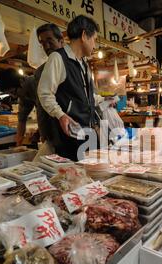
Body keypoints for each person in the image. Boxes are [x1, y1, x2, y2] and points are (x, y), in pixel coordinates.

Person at [37, 15, 102, 161]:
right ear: (84, 35)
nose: (95, 45)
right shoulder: (58, 58)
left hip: (88, 134)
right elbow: (45, 93)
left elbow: (86, 97)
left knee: (91, 177)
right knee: (74, 178)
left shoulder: (84, 64)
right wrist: (60, 115)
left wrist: (104, 100)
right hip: (70, 137)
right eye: (94, 39)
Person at [0, 24, 65, 147]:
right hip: (58, 128)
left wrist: (43, 134)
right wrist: (19, 141)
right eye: (42, 43)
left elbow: (43, 111)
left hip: (66, 126)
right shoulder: (25, 95)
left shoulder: (39, 78)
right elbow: (22, 119)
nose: (14, 96)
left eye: (13, 92)